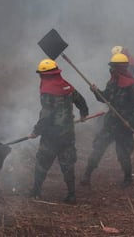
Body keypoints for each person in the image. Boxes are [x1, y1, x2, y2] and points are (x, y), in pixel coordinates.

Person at [80, 53, 134, 188]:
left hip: (123, 125)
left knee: (123, 154)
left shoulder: (131, 86)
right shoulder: (112, 83)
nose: (112, 70)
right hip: (110, 123)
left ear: (120, 68)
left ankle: (128, 178)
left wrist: (131, 121)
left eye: (114, 67)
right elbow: (105, 98)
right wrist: (95, 91)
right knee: (98, 147)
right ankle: (87, 175)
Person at [29, 58, 89, 204]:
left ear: (45, 75)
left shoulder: (47, 91)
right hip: (68, 134)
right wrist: (83, 114)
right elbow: (81, 101)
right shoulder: (66, 86)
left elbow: (46, 115)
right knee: (67, 164)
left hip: (51, 136)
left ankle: (36, 192)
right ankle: (72, 195)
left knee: (42, 162)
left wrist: (36, 131)